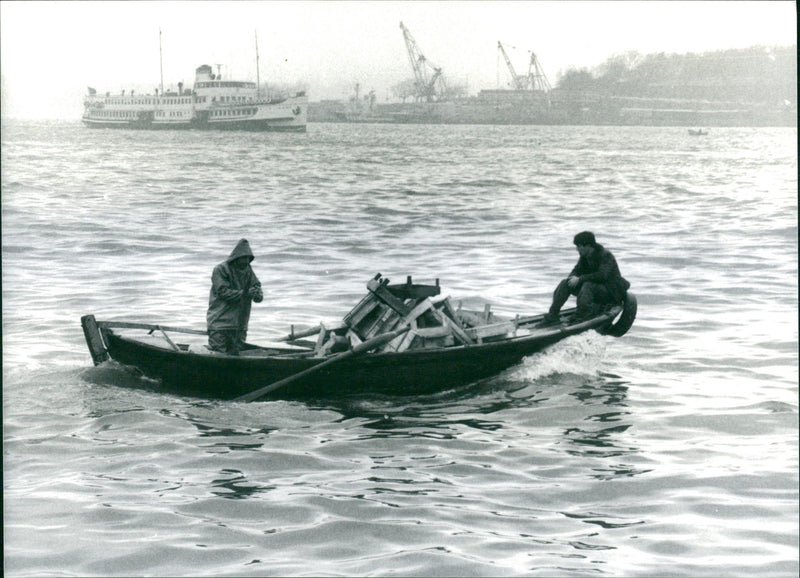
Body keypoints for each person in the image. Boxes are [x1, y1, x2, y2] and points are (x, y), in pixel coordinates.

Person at [544, 231, 630, 324]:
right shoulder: (584, 256)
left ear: (588, 246)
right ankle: (553, 315)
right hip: (593, 291)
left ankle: (581, 317)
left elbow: (602, 276)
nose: (577, 249)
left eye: (579, 246)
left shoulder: (605, 255)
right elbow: (576, 270)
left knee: (588, 285)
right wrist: (571, 279)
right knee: (565, 283)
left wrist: (580, 279)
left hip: (609, 291)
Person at [206, 239, 263, 354]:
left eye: (248, 259)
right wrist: (245, 293)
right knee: (218, 355)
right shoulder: (220, 269)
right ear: (236, 258)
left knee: (237, 356)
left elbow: (257, 290)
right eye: (243, 258)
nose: (246, 262)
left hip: (240, 324)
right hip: (220, 322)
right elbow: (223, 292)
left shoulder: (248, 270)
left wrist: (257, 293)